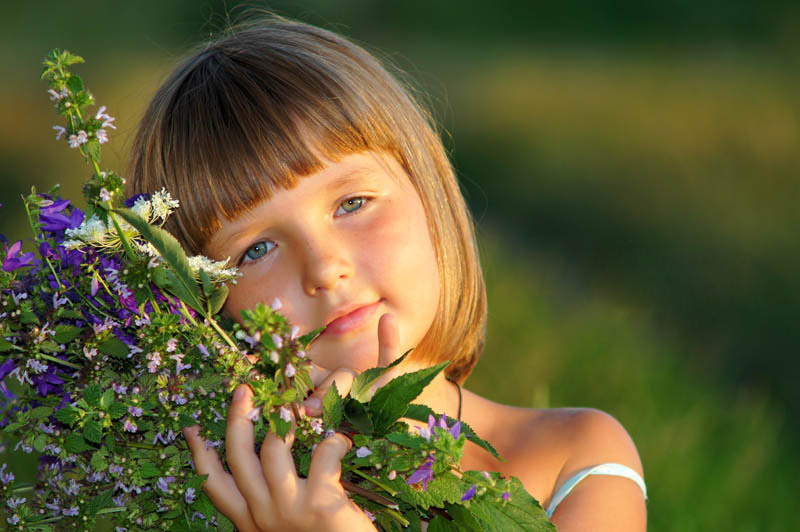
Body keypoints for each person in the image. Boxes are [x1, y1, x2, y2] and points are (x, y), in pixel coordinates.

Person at [128, 15, 647, 532]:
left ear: (427, 191)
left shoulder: (570, 454)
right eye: (257, 248)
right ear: (199, 307)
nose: (325, 268)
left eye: (352, 203)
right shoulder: (203, 502)